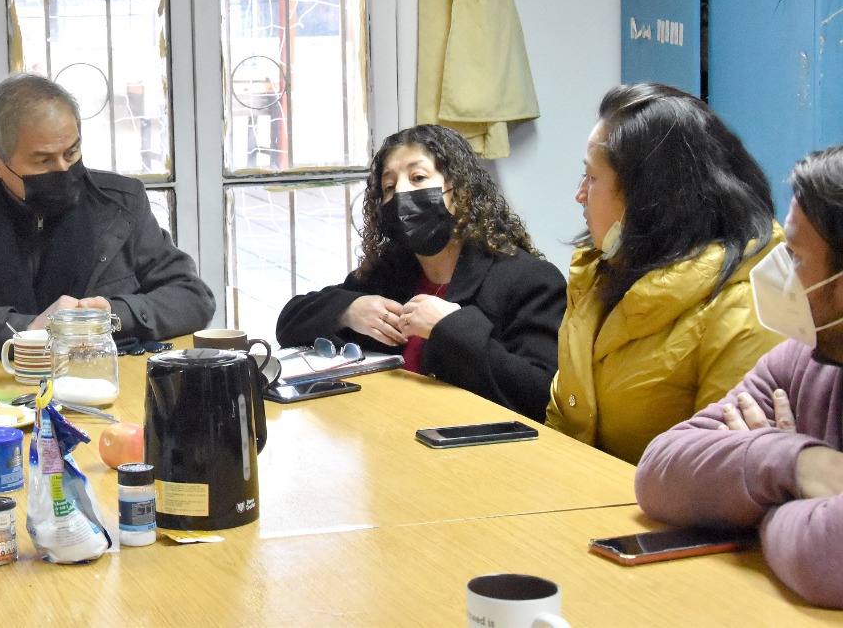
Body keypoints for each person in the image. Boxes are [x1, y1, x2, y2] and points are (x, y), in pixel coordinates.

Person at [636, 146, 843, 608]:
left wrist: (762, 507)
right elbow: (658, 473)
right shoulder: (802, 359)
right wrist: (796, 462)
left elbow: (828, 559)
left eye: (798, 259)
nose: (781, 277)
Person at [0, 73, 215, 358]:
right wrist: (24, 331)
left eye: (72, 152)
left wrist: (113, 316)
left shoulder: (120, 204)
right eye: (42, 161)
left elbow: (192, 296)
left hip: (102, 381)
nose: (64, 170)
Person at [545, 83, 783, 464]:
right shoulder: (598, 272)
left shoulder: (744, 305)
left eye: (592, 178)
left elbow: (722, 475)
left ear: (648, 194)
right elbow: (565, 416)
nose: (579, 194)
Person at [275, 125, 565, 422]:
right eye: (389, 187)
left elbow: (540, 396)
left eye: (418, 178)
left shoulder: (529, 279)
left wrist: (450, 327)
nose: (401, 192)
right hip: (393, 441)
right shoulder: (391, 271)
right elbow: (289, 323)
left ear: (461, 191)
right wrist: (348, 310)